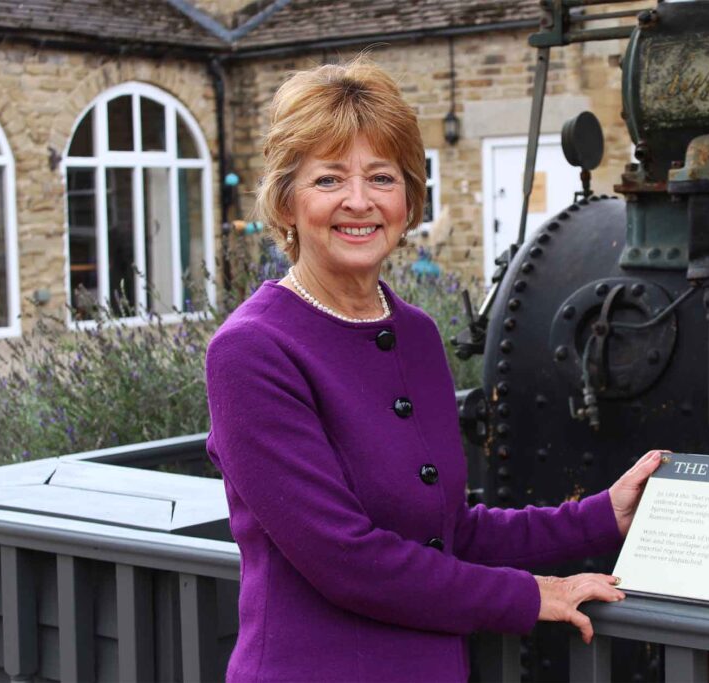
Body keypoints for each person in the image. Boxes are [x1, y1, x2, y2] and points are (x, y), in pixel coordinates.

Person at [205, 57, 664, 682]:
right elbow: (348, 560)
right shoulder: (252, 351)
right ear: (286, 201)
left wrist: (601, 514)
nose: (359, 201)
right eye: (329, 179)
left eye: (382, 177)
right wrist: (531, 596)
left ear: (409, 199)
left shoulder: (414, 333)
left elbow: (448, 532)